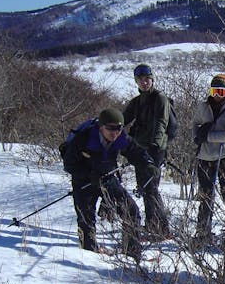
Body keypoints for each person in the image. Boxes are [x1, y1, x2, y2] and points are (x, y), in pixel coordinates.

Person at [62, 108, 157, 261]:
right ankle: (89, 255)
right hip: (84, 183)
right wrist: (88, 174)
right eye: (110, 128)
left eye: (119, 128)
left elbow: (134, 151)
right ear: (101, 126)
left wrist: (148, 163)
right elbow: (69, 164)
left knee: (130, 210)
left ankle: (132, 253)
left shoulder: (120, 137)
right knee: (86, 220)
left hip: (107, 178)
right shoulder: (84, 138)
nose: (115, 132)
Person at [191, 73, 225, 246]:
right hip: (205, 156)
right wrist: (196, 136)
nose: (217, 95)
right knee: (205, 196)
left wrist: (208, 136)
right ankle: (202, 233)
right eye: (214, 91)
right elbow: (195, 123)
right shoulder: (203, 106)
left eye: (221, 91)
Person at [122, 63, 172, 241]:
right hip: (140, 149)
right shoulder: (136, 102)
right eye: (140, 80)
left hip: (155, 149)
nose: (144, 82)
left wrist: (156, 144)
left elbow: (161, 123)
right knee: (144, 188)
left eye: (147, 79)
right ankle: (152, 224)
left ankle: (162, 228)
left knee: (152, 188)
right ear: (136, 81)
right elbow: (123, 119)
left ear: (152, 79)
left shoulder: (160, 98)